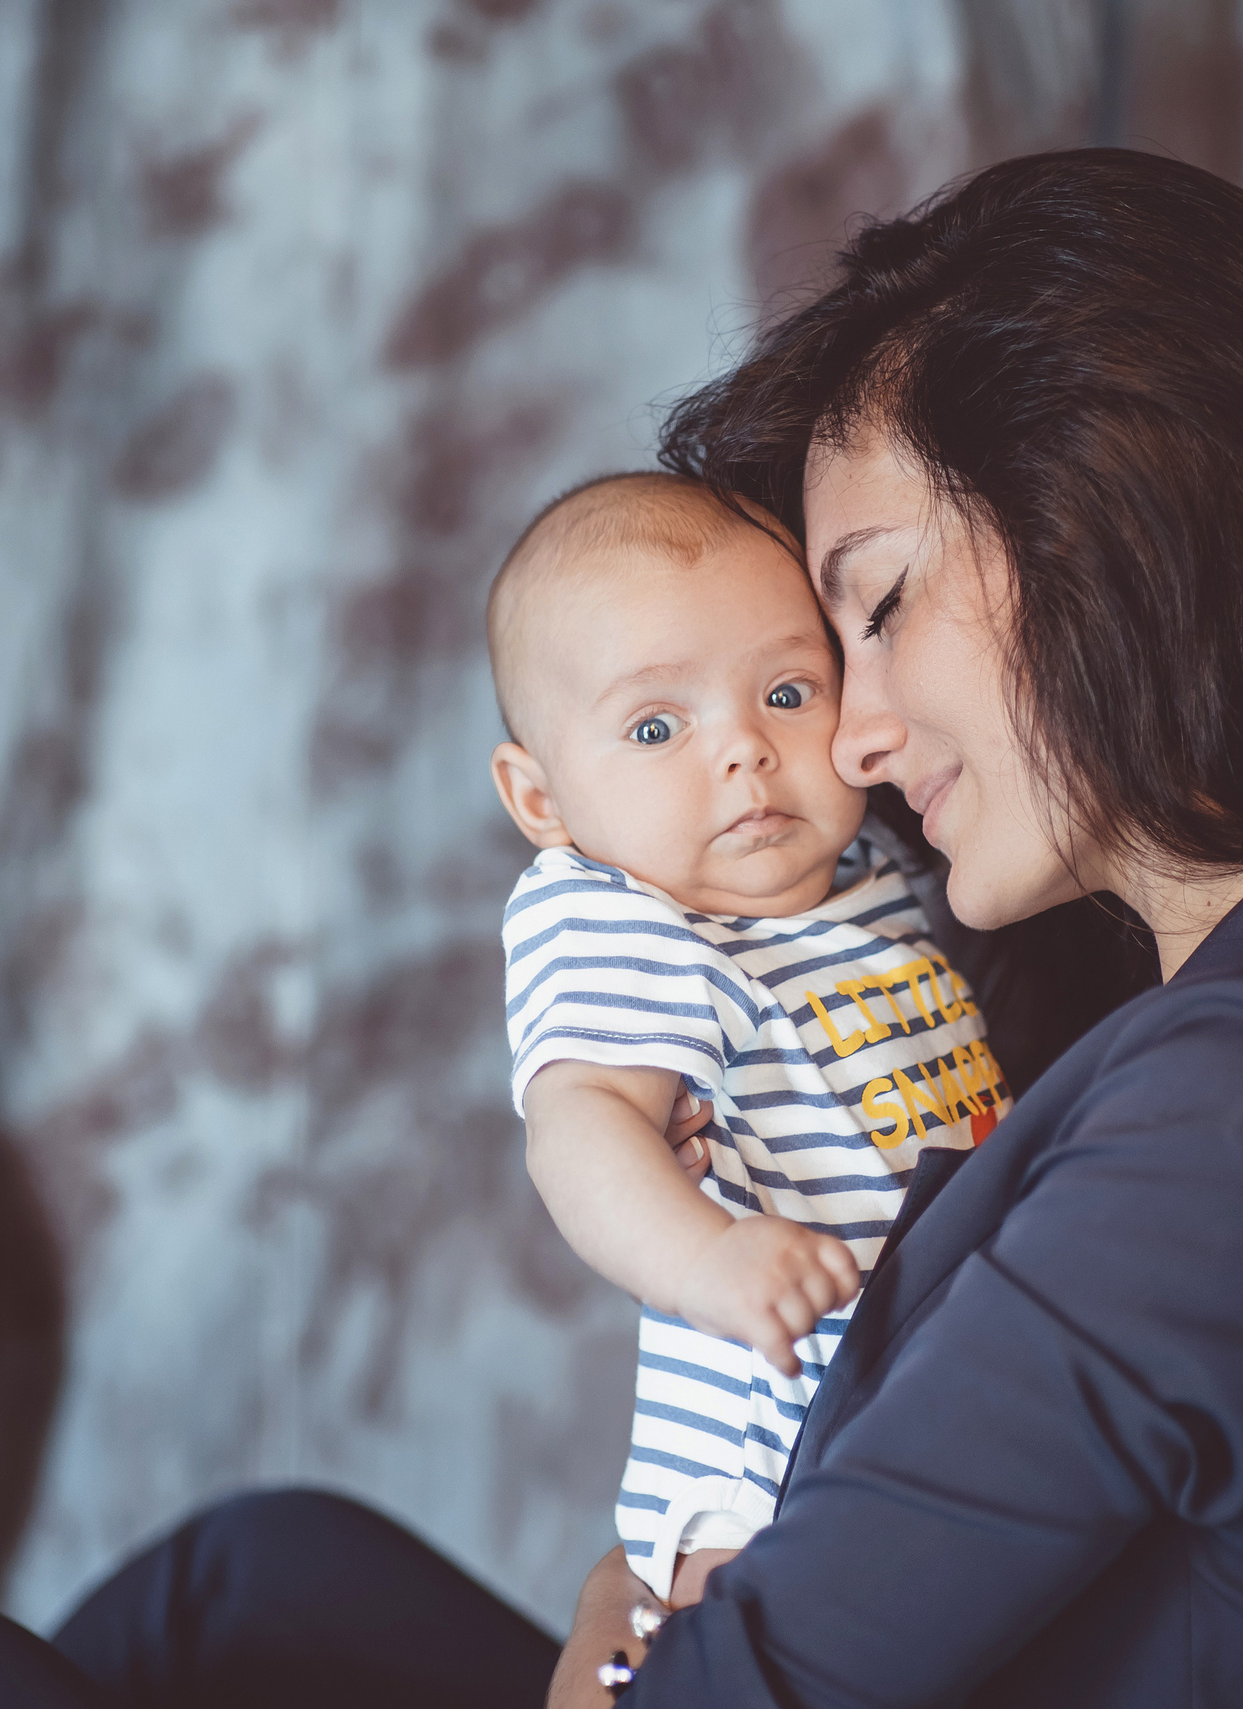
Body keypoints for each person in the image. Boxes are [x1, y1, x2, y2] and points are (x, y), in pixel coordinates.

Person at [0, 146, 1243, 1709]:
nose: (846, 732)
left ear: (1114, 521)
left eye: (866, 605)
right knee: (258, 1573)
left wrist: (616, 1642)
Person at [486, 471, 1013, 1604]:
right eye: (655, 725)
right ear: (543, 801)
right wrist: (703, 1257)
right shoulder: (623, 918)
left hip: (931, 1397)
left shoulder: (872, 873)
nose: (743, 750)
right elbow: (580, 1126)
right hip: (769, 1443)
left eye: (785, 691)